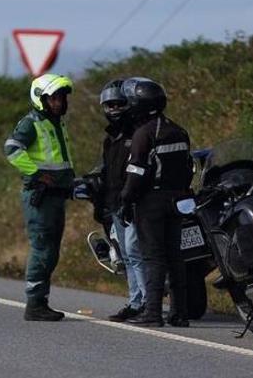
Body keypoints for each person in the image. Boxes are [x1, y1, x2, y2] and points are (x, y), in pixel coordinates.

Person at [118, 77, 193, 327]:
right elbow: (189, 167)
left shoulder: (144, 134)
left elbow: (137, 172)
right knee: (176, 256)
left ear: (138, 105)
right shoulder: (179, 130)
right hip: (179, 199)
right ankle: (180, 313)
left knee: (153, 257)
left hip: (152, 202)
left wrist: (126, 200)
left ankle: (152, 313)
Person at [4, 73, 75, 321]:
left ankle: (40, 301)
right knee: (43, 248)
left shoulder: (56, 123)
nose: (58, 103)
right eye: (53, 98)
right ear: (40, 99)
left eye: (61, 98)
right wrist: (35, 174)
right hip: (41, 197)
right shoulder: (31, 122)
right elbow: (12, 149)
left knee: (52, 250)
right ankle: (35, 304)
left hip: (57, 196)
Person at [96, 78, 147, 322]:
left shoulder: (137, 134)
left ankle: (145, 302)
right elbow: (108, 174)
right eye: (110, 105)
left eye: (119, 104)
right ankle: (136, 301)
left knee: (136, 254)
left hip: (134, 204)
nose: (114, 109)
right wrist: (102, 203)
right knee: (127, 256)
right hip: (116, 204)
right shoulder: (110, 139)